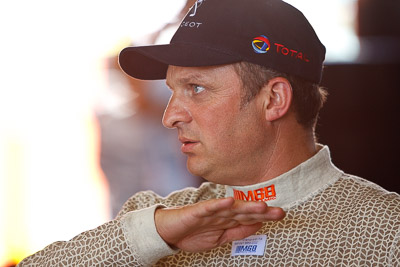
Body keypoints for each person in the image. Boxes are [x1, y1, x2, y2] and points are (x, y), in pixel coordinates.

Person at [18, 0, 400, 266]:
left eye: (196, 89)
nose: (169, 117)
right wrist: (154, 236)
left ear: (274, 100)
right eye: (171, 91)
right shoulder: (157, 221)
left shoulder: (388, 232)